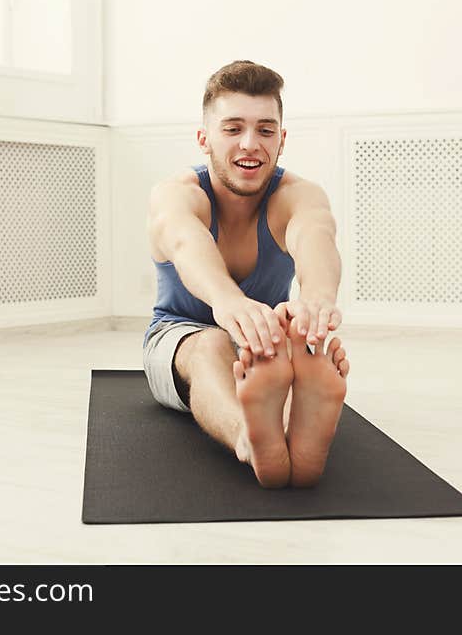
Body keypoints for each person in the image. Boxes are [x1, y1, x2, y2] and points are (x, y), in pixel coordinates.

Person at [142, 60, 350, 489]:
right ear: (205, 138)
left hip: (263, 343)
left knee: (287, 340)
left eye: (266, 130)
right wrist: (228, 300)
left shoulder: (298, 196)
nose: (251, 144)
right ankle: (249, 439)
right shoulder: (177, 195)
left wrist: (318, 298)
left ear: (282, 139)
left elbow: (316, 238)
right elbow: (186, 243)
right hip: (178, 339)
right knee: (212, 343)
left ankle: (294, 423)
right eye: (233, 128)